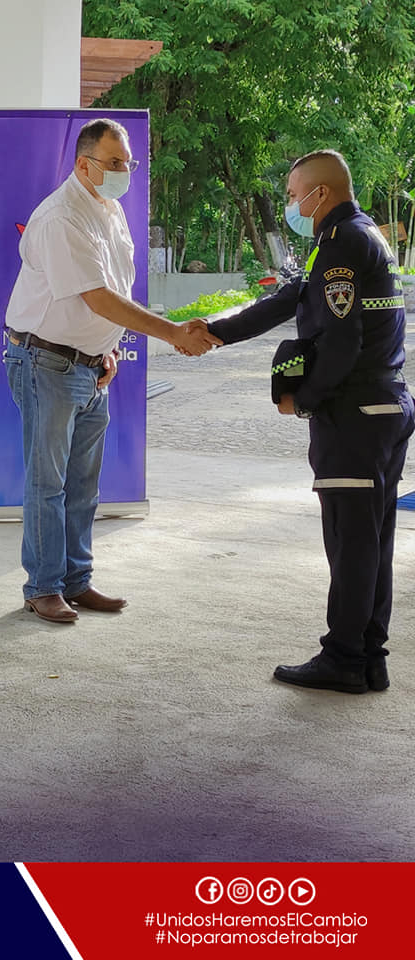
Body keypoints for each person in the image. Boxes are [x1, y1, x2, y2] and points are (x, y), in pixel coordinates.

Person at [197, 150, 414, 694]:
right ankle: (368, 657)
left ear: (321, 193)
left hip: (354, 414)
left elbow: (341, 343)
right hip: (384, 408)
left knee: (350, 542)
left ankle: (344, 658)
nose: (292, 205)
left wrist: (307, 399)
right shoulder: (360, 238)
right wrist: (214, 332)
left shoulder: (342, 244)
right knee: (371, 539)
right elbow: (287, 299)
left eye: (294, 196)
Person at [4, 118, 217, 624]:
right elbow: (96, 297)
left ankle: (76, 580)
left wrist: (107, 348)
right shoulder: (61, 217)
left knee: (83, 484)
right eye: (116, 163)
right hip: (45, 362)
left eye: (129, 163)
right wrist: (171, 333)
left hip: (88, 365)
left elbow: (113, 288)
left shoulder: (110, 208)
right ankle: (42, 586)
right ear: (84, 163)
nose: (126, 171)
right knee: (47, 483)